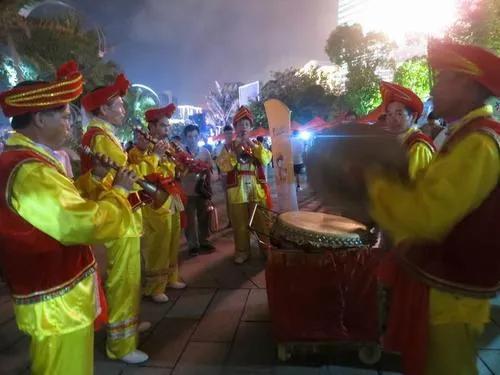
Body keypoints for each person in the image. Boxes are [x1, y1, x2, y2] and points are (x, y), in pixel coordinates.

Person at [367, 41, 500, 375]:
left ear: (467, 84)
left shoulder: (478, 143)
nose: (434, 88)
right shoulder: (464, 136)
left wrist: (372, 188)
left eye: (442, 79)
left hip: (451, 292)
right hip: (438, 281)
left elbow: (428, 215)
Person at [0, 61, 138, 375]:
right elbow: (77, 223)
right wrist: (118, 191)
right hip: (55, 304)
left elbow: (65, 201)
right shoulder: (28, 169)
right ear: (38, 118)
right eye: (63, 116)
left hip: (59, 298)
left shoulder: (32, 159)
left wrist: (95, 181)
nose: (68, 125)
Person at [79, 74, 169, 364]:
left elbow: (124, 171)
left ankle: (127, 327)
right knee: (123, 279)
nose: (123, 110)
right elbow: (115, 179)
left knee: (128, 278)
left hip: (122, 213)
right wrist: (150, 159)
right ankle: (120, 345)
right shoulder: (100, 139)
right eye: (118, 105)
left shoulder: (103, 135)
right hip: (117, 217)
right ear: (103, 109)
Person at [130, 104, 187, 304]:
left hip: (172, 195)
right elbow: (141, 174)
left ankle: (171, 277)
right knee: (157, 241)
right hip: (155, 199)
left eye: (167, 126)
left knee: (173, 237)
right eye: (163, 126)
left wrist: (181, 160)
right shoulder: (139, 150)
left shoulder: (168, 146)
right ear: (151, 128)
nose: (167, 130)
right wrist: (155, 155)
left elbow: (178, 170)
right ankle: (154, 286)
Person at [216, 106, 272, 264]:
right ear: (235, 128)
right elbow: (223, 166)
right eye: (240, 125)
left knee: (261, 220)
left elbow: (267, 159)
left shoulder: (257, 144)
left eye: (246, 124)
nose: (243, 127)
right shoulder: (228, 146)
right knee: (239, 223)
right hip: (237, 188)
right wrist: (235, 151)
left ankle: (266, 248)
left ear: (251, 127)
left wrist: (253, 147)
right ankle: (242, 251)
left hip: (256, 186)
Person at [380, 81, 436, 179]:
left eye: (399, 113)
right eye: (389, 114)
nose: (393, 119)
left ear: (413, 117)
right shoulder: (396, 142)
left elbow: (411, 186)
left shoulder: (418, 146)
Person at [181, 124, 214, 257]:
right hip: (186, 191)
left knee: (204, 217)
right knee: (189, 220)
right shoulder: (181, 152)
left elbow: (211, 169)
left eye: (195, 136)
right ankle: (192, 245)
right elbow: (177, 171)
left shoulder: (205, 152)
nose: (193, 139)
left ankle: (204, 241)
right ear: (185, 137)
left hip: (201, 192)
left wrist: (209, 185)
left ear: (199, 136)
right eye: (190, 136)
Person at [214, 125, 235, 228]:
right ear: (224, 134)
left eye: (230, 133)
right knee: (228, 199)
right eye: (227, 133)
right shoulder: (219, 148)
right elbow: (218, 163)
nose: (229, 136)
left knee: (236, 198)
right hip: (225, 176)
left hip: (236, 176)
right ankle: (230, 220)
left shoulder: (236, 145)